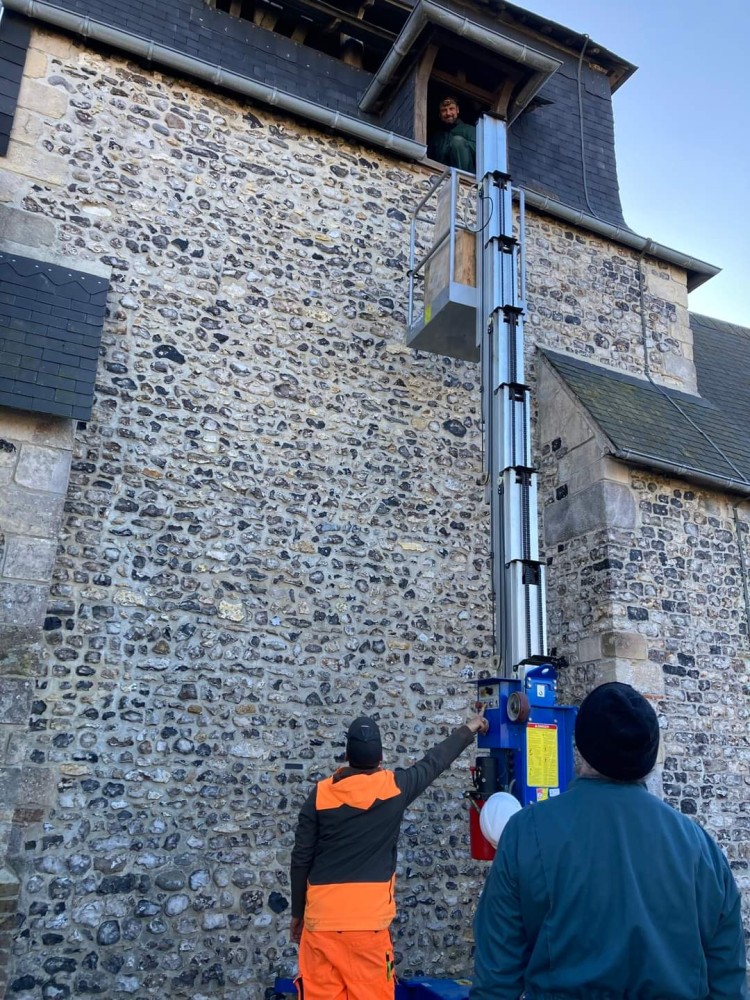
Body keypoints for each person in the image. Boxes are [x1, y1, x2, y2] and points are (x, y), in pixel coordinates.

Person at [471, 682, 748, 1000]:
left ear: (582, 745)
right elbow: (728, 979)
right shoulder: (700, 847)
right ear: (649, 754)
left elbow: (496, 979)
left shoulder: (526, 832)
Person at [290, 710, 489, 999]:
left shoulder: (319, 795)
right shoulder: (395, 788)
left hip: (321, 923)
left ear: (346, 756)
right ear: (381, 757)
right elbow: (435, 761)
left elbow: (301, 859)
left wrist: (298, 913)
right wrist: (472, 726)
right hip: (368, 928)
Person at [427, 96, 477, 172]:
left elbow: (481, 154)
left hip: (467, 178)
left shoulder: (470, 130)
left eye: (451, 109)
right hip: (441, 177)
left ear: (457, 110)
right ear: (440, 115)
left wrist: (461, 145)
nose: (448, 113)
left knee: (457, 141)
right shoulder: (436, 138)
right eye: (444, 110)